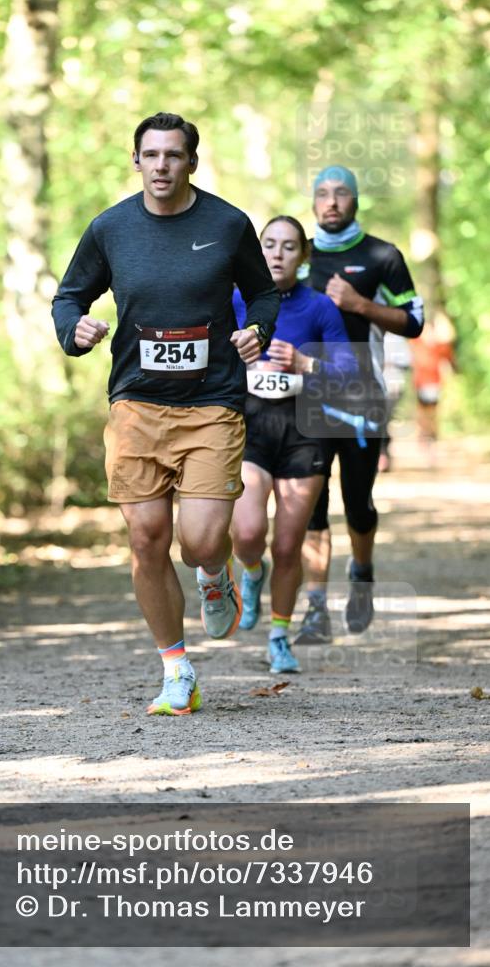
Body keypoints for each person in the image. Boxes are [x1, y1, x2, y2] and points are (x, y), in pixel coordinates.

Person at [51, 112, 280, 715]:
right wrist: (72, 329)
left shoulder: (228, 224)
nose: (161, 166)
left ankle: (214, 574)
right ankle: (176, 669)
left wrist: (258, 327)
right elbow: (70, 294)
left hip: (211, 402)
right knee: (146, 537)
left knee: (200, 542)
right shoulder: (110, 228)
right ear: (136, 161)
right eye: (150, 155)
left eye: (173, 156)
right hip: (136, 402)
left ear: (191, 163)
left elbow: (263, 291)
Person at [297, 165, 424, 645]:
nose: (331, 202)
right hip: (305, 398)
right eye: (322, 194)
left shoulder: (380, 256)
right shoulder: (299, 258)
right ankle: (314, 610)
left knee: (357, 504)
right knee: (310, 505)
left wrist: (360, 305)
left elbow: (414, 321)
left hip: (360, 397)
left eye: (341, 193)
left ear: (355, 201)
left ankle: (362, 574)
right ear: (312, 202)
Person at [231, 216, 356, 673]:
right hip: (251, 422)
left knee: (287, 545)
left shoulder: (320, 307)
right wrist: (241, 359)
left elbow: (349, 373)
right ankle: (249, 571)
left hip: (306, 428)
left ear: (304, 256)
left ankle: (280, 635)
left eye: (288, 246)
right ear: (257, 252)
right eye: (269, 245)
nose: (277, 253)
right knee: (247, 533)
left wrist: (305, 362)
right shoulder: (235, 300)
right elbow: (208, 356)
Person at [410, 312, 456, 466]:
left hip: (434, 384)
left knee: (432, 415)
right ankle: (425, 442)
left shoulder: (438, 344)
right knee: (424, 415)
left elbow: (448, 353)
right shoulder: (418, 341)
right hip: (421, 384)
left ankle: (431, 445)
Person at [377, 331, 412, 473]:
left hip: (392, 387)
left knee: (384, 421)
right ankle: (381, 455)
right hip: (373, 388)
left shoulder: (397, 339)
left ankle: (384, 455)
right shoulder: (372, 334)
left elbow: (407, 362)